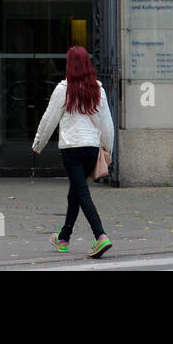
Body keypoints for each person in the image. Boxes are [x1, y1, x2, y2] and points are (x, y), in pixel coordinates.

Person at [32, 46, 115, 258]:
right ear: (88, 64)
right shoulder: (98, 89)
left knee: (82, 192)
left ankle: (100, 235)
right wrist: (108, 148)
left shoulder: (63, 89)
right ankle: (63, 238)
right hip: (91, 149)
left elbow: (49, 118)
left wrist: (38, 144)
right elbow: (107, 124)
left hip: (71, 149)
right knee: (76, 193)